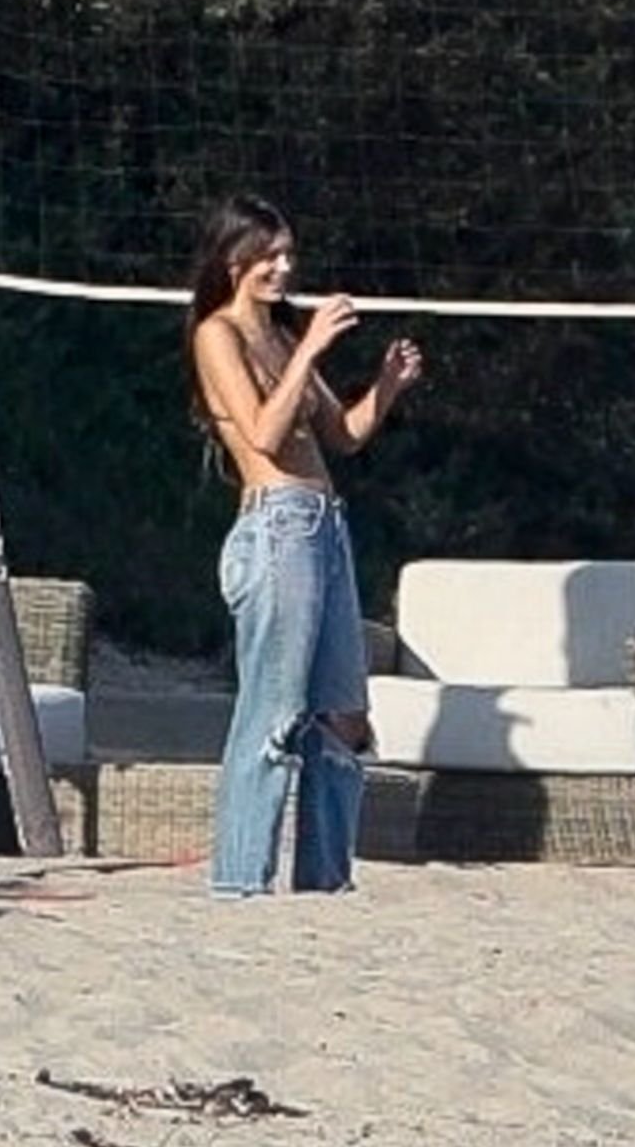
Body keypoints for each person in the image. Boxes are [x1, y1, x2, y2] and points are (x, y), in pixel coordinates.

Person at [186, 195, 424, 896]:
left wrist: (386, 386)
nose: (284, 268)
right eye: (270, 256)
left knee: (343, 715)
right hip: (276, 528)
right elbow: (263, 433)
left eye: (289, 255)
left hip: (325, 526)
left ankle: (324, 881)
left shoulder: (283, 338)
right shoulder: (218, 334)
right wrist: (313, 347)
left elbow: (342, 435)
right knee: (275, 712)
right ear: (235, 260)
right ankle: (240, 880)